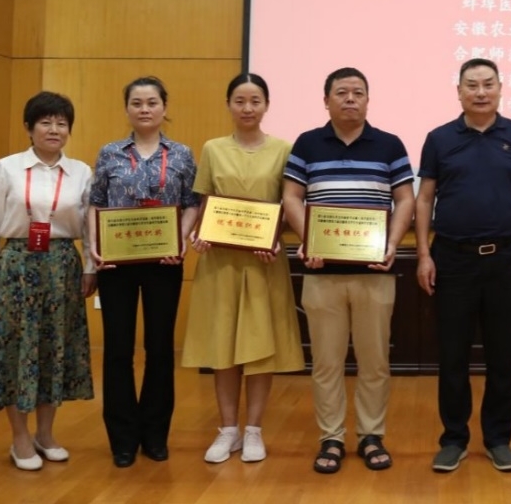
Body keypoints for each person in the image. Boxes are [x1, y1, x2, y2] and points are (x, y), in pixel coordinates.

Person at [282, 67, 415, 474]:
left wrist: (392, 244)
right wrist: (309, 240)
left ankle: (372, 435)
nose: (350, 99)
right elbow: (291, 196)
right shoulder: (307, 143)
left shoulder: (390, 144)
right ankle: (332, 437)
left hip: (375, 269)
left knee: (375, 362)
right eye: (341, 92)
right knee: (326, 363)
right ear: (326, 100)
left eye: (358, 92)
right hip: (321, 271)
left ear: (368, 100)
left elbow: (405, 199)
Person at [415, 57, 511, 473]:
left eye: (488, 84)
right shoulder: (439, 138)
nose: (481, 92)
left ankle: (498, 439)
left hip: (506, 257)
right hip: (452, 259)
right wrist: (423, 254)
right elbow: (424, 198)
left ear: (501, 89)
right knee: (452, 356)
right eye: (472, 85)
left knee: (503, 357)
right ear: (458, 92)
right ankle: (454, 439)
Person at [180, 73, 304, 464]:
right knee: (223, 346)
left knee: (259, 346)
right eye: (239, 100)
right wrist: (199, 234)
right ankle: (227, 430)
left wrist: (275, 237)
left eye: (255, 101)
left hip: (263, 261)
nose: (247, 108)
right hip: (220, 262)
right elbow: (205, 201)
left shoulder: (284, 149)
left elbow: (288, 204)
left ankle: (253, 430)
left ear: (266, 105)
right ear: (228, 105)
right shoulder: (213, 148)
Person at [86, 77, 200, 467]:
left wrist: (181, 239)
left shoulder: (182, 154)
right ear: (127, 109)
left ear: (165, 107)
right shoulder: (109, 153)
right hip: (116, 264)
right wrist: (95, 246)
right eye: (137, 103)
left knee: (160, 348)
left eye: (152, 102)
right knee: (118, 350)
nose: (145, 109)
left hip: (164, 263)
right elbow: (95, 202)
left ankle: (154, 435)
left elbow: (191, 203)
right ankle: (122, 438)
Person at [0, 91, 96, 471]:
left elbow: (90, 224)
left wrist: (91, 267)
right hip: (17, 264)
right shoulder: (7, 168)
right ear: (29, 128)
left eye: (62, 123)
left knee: (53, 348)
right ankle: (19, 438)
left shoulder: (81, 172)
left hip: (62, 264)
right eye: (45, 122)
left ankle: (45, 434)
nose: (54, 129)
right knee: (17, 349)